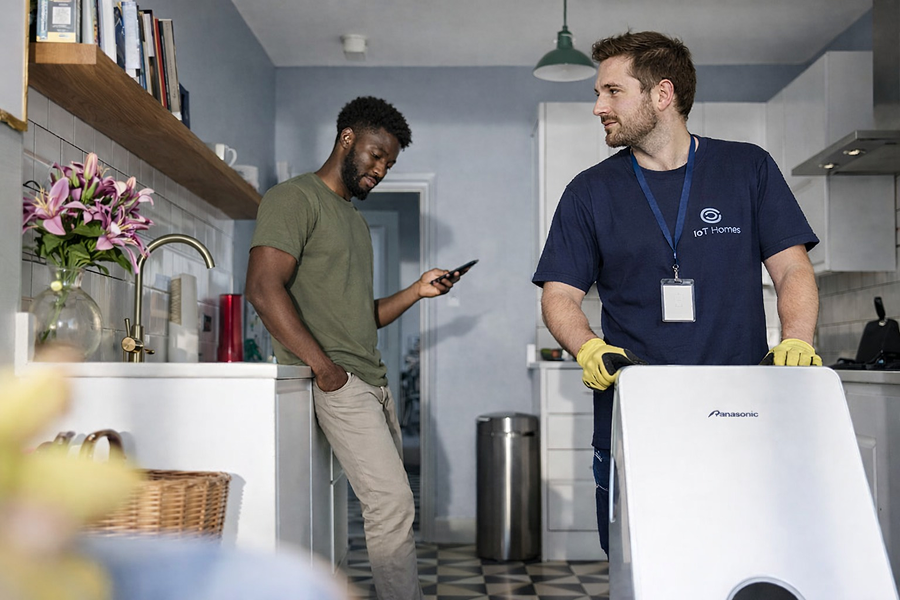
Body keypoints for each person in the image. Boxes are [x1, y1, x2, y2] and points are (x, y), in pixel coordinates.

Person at [531, 31, 822, 555]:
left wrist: (798, 338)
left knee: (739, 552)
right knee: (640, 559)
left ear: (661, 95)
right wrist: (588, 347)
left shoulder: (747, 168)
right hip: (636, 409)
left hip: (741, 410)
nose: (598, 106)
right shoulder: (588, 192)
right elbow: (558, 296)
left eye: (612, 92)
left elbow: (792, 271)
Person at [246, 96, 460, 600]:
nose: (380, 170)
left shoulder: (353, 221)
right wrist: (324, 369)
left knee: (386, 503)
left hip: (371, 380)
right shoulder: (294, 198)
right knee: (392, 504)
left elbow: (360, 316)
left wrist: (418, 290)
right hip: (340, 381)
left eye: (388, 163)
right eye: (375, 155)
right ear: (347, 139)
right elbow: (262, 287)